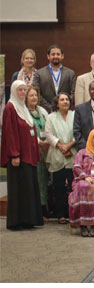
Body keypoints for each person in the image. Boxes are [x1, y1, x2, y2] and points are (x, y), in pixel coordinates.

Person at [1, 80, 43, 230]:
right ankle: (16, 221)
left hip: (29, 156)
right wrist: (14, 155)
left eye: (24, 90)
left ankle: (28, 219)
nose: (23, 93)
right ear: (13, 91)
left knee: (29, 189)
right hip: (18, 157)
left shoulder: (23, 108)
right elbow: (9, 133)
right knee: (18, 189)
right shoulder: (10, 108)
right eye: (20, 90)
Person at [44, 92, 77, 223]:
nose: (65, 102)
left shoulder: (75, 115)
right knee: (59, 188)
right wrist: (61, 146)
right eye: (62, 100)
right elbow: (48, 134)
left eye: (67, 100)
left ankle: (73, 213)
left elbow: (79, 131)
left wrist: (68, 146)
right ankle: (61, 214)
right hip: (57, 155)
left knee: (74, 186)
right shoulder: (51, 117)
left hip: (73, 154)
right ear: (57, 103)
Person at [25, 85, 50, 215]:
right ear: (25, 98)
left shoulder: (42, 111)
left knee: (44, 179)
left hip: (45, 151)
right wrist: (38, 143)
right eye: (31, 95)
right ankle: (35, 211)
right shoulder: (23, 112)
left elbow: (49, 127)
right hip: (31, 151)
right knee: (34, 180)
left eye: (35, 95)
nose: (34, 98)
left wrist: (47, 142)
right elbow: (24, 131)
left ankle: (44, 208)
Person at [32, 44, 76, 112]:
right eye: (53, 54)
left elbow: (73, 93)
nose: (55, 56)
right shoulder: (39, 73)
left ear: (62, 56)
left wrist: (64, 106)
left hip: (65, 112)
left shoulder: (70, 73)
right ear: (48, 56)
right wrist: (50, 108)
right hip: (45, 111)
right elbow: (37, 93)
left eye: (58, 54)